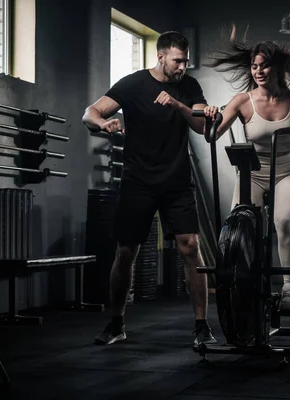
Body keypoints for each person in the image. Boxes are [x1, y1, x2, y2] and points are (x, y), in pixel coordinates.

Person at [82, 31, 216, 348]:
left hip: (177, 179)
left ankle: (201, 326)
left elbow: (201, 125)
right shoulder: (133, 84)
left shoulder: (189, 86)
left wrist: (179, 105)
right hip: (138, 180)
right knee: (126, 251)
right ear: (160, 56)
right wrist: (104, 124)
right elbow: (91, 113)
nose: (183, 66)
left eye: (185, 60)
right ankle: (116, 323)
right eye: (177, 60)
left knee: (190, 247)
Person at [202, 28, 290, 314]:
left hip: (287, 170)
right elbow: (212, 136)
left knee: (282, 222)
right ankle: (246, 286)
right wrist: (210, 120)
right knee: (240, 229)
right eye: (254, 66)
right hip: (251, 173)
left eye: (264, 65)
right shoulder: (242, 101)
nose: (258, 71)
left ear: (277, 68)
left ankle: (289, 291)